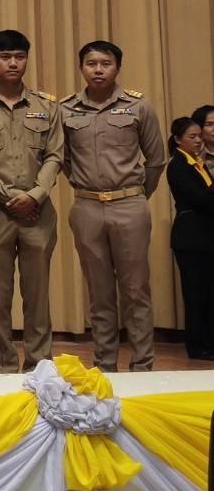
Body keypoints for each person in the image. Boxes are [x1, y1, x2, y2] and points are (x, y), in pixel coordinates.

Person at [0, 30, 65, 374]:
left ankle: (39, 366)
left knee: (38, 295)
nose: (13, 63)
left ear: (26, 60)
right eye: (5, 57)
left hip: (38, 212)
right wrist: (8, 197)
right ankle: (3, 367)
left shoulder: (46, 106)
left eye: (19, 56)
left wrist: (35, 195)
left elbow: (55, 155)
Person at [60, 40, 167, 372]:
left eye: (105, 64)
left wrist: (136, 195)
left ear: (117, 67)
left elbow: (156, 159)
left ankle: (142, 366)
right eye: (91, 64)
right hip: (87, 208)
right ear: (81, 68)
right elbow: (62, 159)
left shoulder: (138, 106)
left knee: (136, 290)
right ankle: (105, 366)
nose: (98, 70)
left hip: (130, 204)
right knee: (99, 292)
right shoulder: (66, 110)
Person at [167, 116, 214, 361]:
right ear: (178, 140)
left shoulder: (197, 163)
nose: (198, 141)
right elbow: (200, 199)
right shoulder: (178, 165)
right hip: (190, 238)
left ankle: (208, 342)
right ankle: (197, 346)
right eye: (192, 137)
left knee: (208, 293)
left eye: (199, 136)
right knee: (196, 294)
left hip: (205, 237)